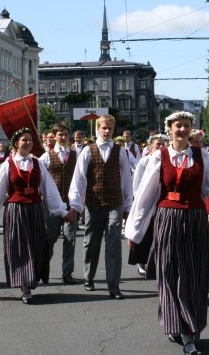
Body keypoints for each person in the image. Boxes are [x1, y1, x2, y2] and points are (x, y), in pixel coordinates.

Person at [125, 111, 209, 355]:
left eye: (187, 126)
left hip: (195, 219)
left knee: (193, 274)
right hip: (167, 219)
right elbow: (145, 197)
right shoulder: (159, 156)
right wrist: (134, 231)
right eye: (178, 125)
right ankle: (177, 327)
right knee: (169, 273)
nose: (182, 129)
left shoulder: (203, 156)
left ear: (191, 129)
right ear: (169, 128)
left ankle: (189, 327)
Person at [0, 128, 73, 304]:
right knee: (21, 248)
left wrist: (62, 211)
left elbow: (49, 190)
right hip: (16, 210)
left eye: (31, 140)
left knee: (36, 246)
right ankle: (25, 286)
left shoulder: (37, 163)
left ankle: (30, 281)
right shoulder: (8, 164)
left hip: (35, 209)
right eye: (24, 140)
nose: (28, 143)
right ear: (16, 143)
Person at [68, 115, 133, 300]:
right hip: (93, 203)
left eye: (110, 129)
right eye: (104, 128)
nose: (106, 131)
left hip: (115, 202)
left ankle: (114, 286)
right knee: (92, 242)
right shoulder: (88, 151)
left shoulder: (120, 151)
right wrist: (76, 204)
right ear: (98, 129)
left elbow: (127, 179)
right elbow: (79, 179)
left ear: (113, 130)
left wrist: (128, 205)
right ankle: (89, 277)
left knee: (113, 242)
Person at [38, 124, 80, 284]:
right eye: (60, 134)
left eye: (66, 134)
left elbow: (81, 179)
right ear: (54, 136)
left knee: (70, 239)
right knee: (50, 237)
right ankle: (42, 269)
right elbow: (39, 179)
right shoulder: (46, 156)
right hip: (51, 205)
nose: (63, 137)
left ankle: (67, 274)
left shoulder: (76, 155)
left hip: (71, 203)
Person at [127, 133, 167, 277]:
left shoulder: (167, 160)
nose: (161, 147)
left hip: (161, 201)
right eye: (158, 144)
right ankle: (141, 262)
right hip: (146, 201)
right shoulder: (144, 161)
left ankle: (155, 262)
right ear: (151, 147)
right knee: (143, 232)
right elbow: (137, 183)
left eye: (163, 144)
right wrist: (141, 200)